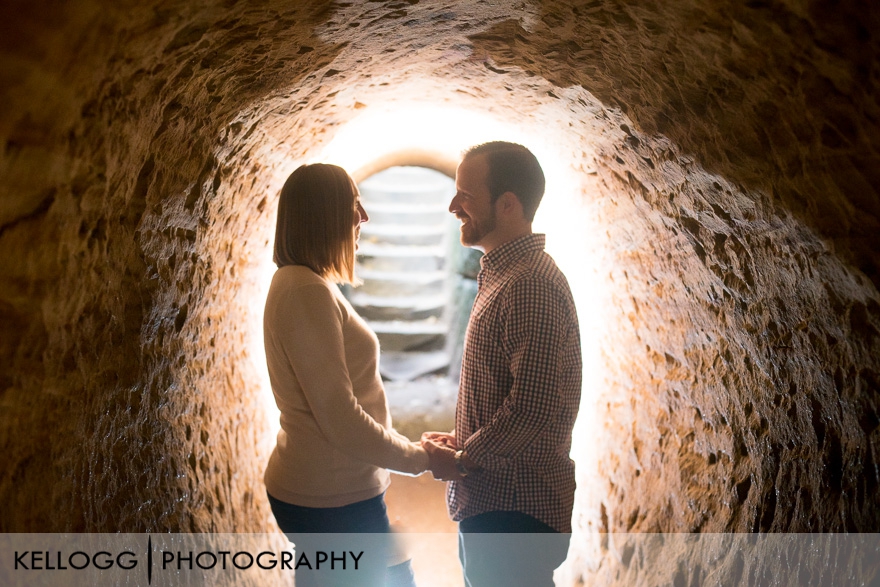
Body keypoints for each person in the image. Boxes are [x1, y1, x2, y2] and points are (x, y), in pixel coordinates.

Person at [422, 142, 582, 587]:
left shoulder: (529, 284)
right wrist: (464, 440)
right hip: (500, 502)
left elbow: (531, 409)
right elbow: (513, 394)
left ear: (507, 204)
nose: (454, 206)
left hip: (514, 511)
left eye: (466, 196)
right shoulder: (508, 275)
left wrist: (463, 457)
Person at [263, 163, 428, 586]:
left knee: (395, 573)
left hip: (334, 490)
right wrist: (417, 458)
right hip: (331, 499)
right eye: (354, 204)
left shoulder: (308, 283)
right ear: (325, 213)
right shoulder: (305, 292)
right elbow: (340, 416)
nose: (364, 216)